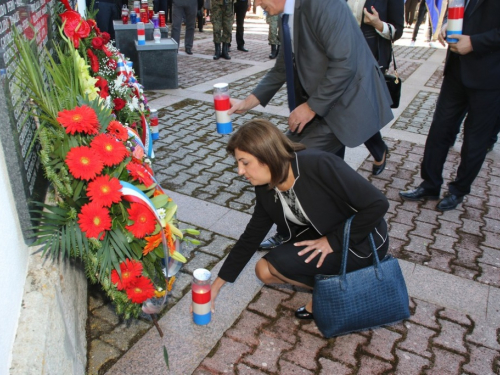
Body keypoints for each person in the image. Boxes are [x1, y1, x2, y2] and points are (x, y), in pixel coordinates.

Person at [229, 0, 393, 250]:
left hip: (346, 102)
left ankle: (312, 235)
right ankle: (322, 230)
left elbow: (345, 63)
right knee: (321, 178)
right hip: (322, 104)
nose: (256, 3)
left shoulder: (321, 4)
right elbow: (281, 69)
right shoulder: (286, 14)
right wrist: (246, 103)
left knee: (282, 160)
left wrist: (311, 107)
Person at [210, 120, 390, 319]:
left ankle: (346, 289)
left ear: (267, 156)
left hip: (359, 240)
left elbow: (378, 204)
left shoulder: (318, 164)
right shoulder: (265, 187)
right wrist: (216, 286)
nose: (240, 171)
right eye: (238, 163)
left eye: (245, 162)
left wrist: (333, 241)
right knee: (264, 270)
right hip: (321, 234)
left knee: (279, 262)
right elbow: (251, 236)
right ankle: (331, 289)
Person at [399, 0, 500, 211]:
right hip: (456, 70)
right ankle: (430, 184)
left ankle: (458, 191)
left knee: (474, 140)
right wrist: (446, 24)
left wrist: (474, 42)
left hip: (489, 76)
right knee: (440, 129)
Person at [346, 0, 404, 175]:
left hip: (371, 58)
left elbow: (397, 31)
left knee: (359, 109)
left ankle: (378, 149)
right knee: (346, 107)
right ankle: (378, 148)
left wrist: (378, 24)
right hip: (343, 52)